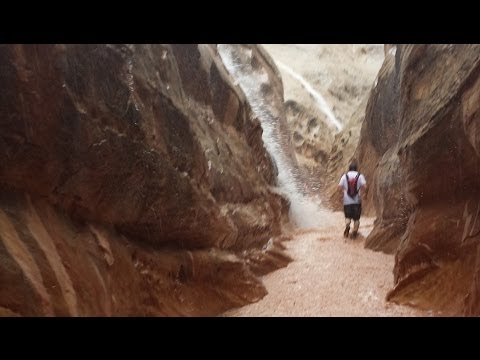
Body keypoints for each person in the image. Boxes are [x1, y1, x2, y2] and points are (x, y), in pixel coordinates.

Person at [338, 162, 367, 239]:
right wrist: (365, 195)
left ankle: (347, 226)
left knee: (348, 217)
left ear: (349, 169)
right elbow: (365, 187)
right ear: (356, 169)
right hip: (357, 201)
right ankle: (354, 232)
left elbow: (339, 187)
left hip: (347, 201)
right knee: (356, 218)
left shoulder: (344, 176)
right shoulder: (360, 176)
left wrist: (341, 196)